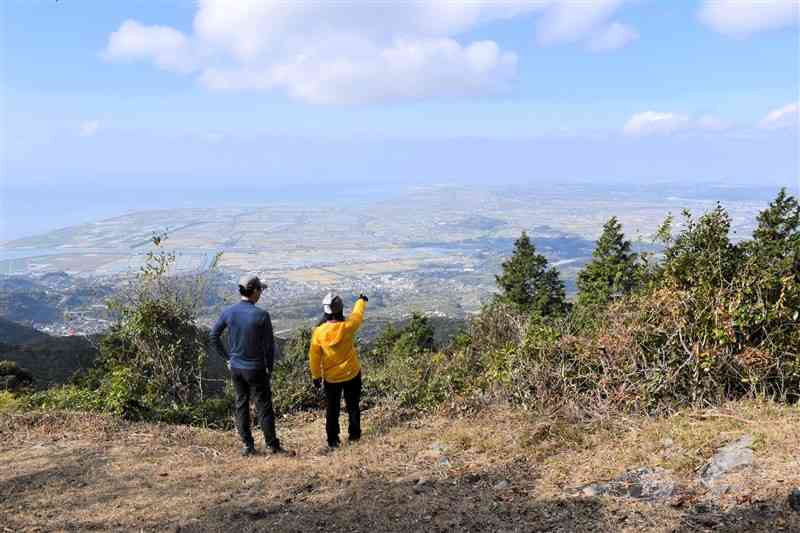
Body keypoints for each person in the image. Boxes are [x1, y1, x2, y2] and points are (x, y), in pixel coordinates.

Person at [210, 274, 289, 456]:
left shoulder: (229, 312)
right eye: (260, 289)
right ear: (254, 291)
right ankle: (272, 446)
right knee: (264, 407)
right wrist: (270, 369)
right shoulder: (261, 315)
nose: (261, 293)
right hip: (256, 368)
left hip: (237, 368)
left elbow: (213, 336)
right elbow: (269, 347)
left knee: (241, 404)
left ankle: (248, 445)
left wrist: (228, 358)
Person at [308, 292, 368, 449]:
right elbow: (357, 314)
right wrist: (361, 300)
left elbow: (314, 356)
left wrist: (316, 376)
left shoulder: (319, 333)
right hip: (351, 373)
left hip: (331, 378)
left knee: (332, 409)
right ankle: (354, 435)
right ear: (341, 310)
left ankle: (333, 440)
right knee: (353, 405)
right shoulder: (348, 326)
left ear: (326, 312)